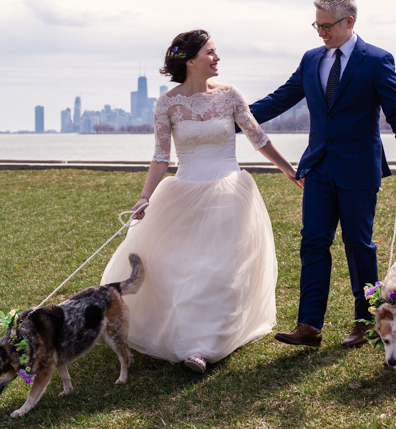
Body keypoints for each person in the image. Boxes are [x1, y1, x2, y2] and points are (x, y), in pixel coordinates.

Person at [100, 29, 301, 373]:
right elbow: (161, 157)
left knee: (220, 269)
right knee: (182, 267)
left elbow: (258, 137)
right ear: (191, 60)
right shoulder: (168, 103)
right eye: (210, 52)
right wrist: (145, 196)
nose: (217, 57)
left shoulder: (230, 95)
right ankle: (187, 338)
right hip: (184, 193)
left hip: (229, 193)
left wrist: (287, 168)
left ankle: (203, 346)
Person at [247, 0, 396, 348]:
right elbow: (280, 98)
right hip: (319, 168)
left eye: (327, 26)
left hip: (359, 168)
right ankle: (309, 325)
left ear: (349, 21)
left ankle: (365, 321)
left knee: (359, 245)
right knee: (312, 243)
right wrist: (234, 117)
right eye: (317, 25)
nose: (321, 32)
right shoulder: (311, 59)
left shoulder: (376, 60)